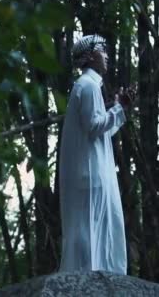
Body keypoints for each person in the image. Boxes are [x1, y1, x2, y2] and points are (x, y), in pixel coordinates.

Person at [58, 34, 132, 275]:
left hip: (90, 174)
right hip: (89, 174)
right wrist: (119, 107)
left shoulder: (88, 86)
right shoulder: (87, 86)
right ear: (90, 56)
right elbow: (93, 125)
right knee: (90, 235)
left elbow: (100, 132)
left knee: (92, 233)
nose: (107, 55)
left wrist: (121, 109)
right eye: (102, 49)